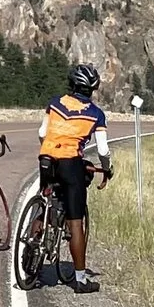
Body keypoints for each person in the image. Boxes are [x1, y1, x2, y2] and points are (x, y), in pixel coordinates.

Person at [39, 62, 113, 291]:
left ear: (71, 85)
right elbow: (102, 150)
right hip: (71, 164)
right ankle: (80, 280)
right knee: (76, 222)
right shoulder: (96, 114)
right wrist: (107, 168)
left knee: (44, 204)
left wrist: (52, 148)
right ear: (92, 89)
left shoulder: (55, 103)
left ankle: (32, 249)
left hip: (47, 159)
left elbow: (42, 133)